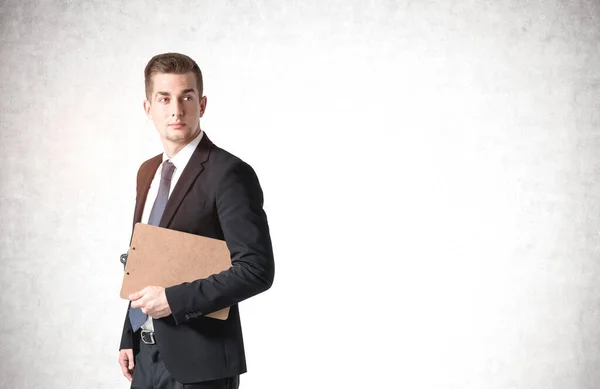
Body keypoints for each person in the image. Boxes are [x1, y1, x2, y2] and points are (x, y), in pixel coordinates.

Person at [117, 52, 275, 389]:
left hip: (202, 365)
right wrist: (128, 335)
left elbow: (256, 270)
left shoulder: (230, 174)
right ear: (148, 108)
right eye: (164, 98)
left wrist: (173, 300)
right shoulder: (148, 172)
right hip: (145, 359)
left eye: (186, 97)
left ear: (202, 104)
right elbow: (146, 262)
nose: (176, 110)